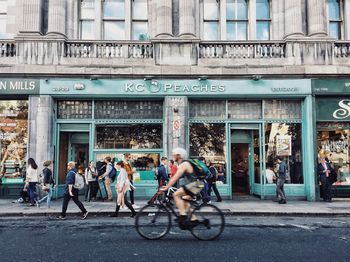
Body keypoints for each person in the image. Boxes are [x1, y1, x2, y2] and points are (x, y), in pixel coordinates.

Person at [161, 148, 206, 228]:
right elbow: (176, 177)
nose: (172, 156)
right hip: (199, 184)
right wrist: (168, 184)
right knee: (185, 202)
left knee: (176, 195)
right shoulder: (183, 164)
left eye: (174, 154)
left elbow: (175, 178)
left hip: (196, 184)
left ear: (179, 155)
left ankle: (183, 216)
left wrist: (167, 187)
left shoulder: (184, 164)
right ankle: (194, 220)